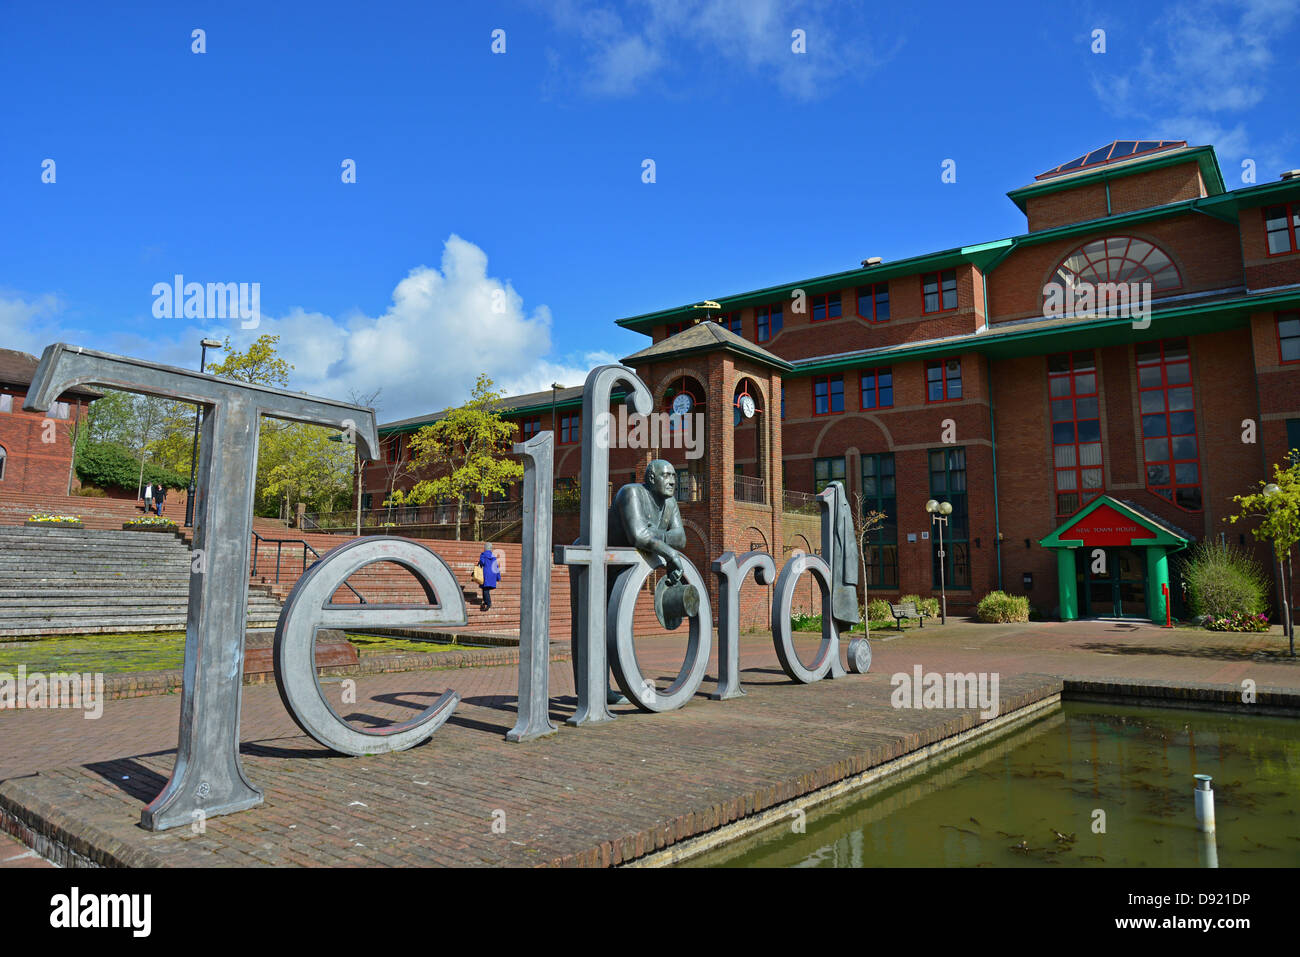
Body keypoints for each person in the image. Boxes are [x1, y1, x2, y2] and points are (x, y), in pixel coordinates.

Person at [477, 543, 500, 611]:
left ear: (485, 548)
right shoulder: (493, 557)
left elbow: (482, 562)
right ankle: (485, 602)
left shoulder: (483, 555)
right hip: (492, 575)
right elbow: (496, 567)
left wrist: (480, 560)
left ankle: (489, 603)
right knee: (485, 589)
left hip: (486, 574)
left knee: (485, 589)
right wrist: (498, 577)